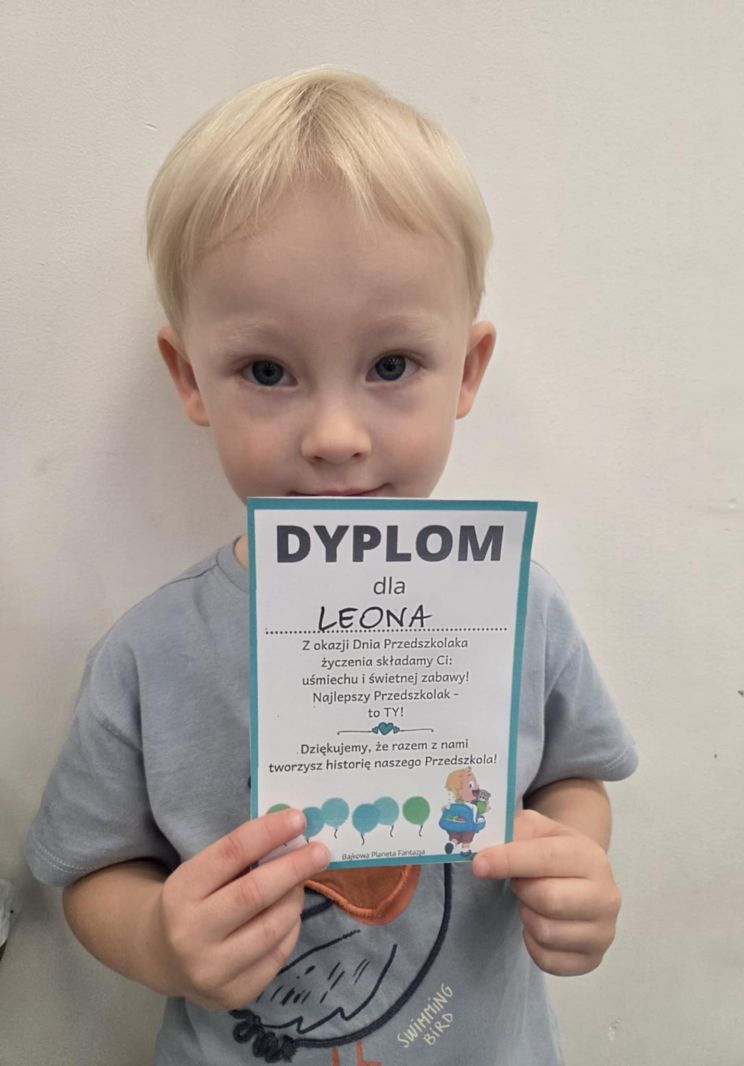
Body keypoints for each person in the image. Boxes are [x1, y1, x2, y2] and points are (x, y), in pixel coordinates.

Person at [25, 67, 638, 1065]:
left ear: (467, 369)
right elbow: (92, 870)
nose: (336, 436)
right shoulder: (148, 655)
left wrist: (574, 861)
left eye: (391, 365)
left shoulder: (519, 609)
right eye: (267, 371)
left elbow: (571, 775)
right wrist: (160, 943)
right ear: (190, 377)